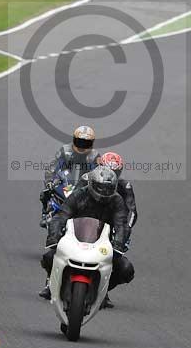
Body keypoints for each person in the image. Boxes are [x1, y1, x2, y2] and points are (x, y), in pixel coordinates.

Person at [40, 166, 134, 303]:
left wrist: (118, 245)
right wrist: (53, 236)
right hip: (74, 238)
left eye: (108, 188)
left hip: (102, 242)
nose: (104, 192)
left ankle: (104, 290)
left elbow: (121, 224)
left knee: (126, 269)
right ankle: (51, 284)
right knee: (49, 257)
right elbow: (61, 216)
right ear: (91, 184)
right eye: (100, 187)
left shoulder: (117, 201)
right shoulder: (78, 195)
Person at [39, 125, 100, 228]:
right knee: (45, 193)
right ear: (74, 140)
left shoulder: (95, 156)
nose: (82, 146)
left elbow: (99, 172)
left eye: (86, 143)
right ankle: (47, 213)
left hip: (85, 187)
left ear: (91, 143)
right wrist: (50, 181)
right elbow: (53, 167)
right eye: (79, 142)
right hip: (66, 183)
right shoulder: (65, 151)